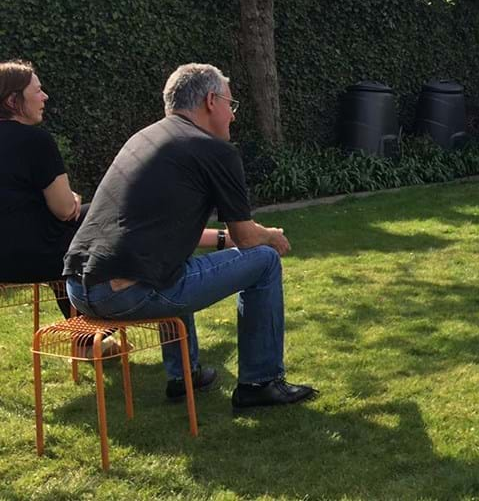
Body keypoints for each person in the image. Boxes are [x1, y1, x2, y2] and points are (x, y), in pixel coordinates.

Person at [64, 63, 317, 410]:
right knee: (265, 262)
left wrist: (226, 239)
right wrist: (269, 235)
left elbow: (165, 231)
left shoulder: (145, 139)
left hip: (78, 291)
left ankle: (184, 376)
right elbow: (246, 238)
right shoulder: (215, 151)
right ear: (211, 101)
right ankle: (260, 382)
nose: (232, 116)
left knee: (173, 262)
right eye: (231, 104)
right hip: (126, 296)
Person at [0, 60, 86, 320]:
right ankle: (96, 325)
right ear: (13, 101)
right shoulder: (36, 141)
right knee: (102, 218)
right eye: (37, 91)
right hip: (34, 257)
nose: (45, 96)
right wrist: (73, 199)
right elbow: (63, 210)